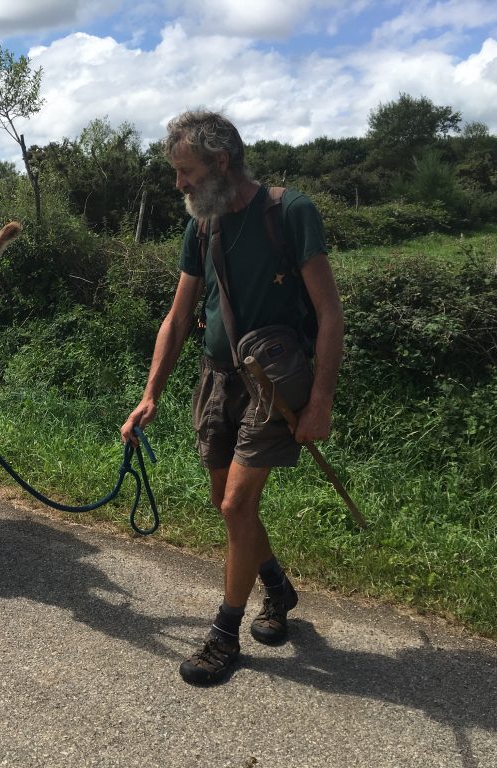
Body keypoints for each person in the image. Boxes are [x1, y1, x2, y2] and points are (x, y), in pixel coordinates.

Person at [121, 110, 344, 685]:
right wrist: (151, 394)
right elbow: (178, 316)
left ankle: (224, 636)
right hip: (216, 380)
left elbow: (329, 313)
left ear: (221, 163)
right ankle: (276, 586)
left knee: (235, 508)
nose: (179, 185)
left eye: (186, 172)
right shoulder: (203, 224)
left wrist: (320, 401)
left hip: (273, 387)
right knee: (230, 504)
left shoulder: (290, 212)